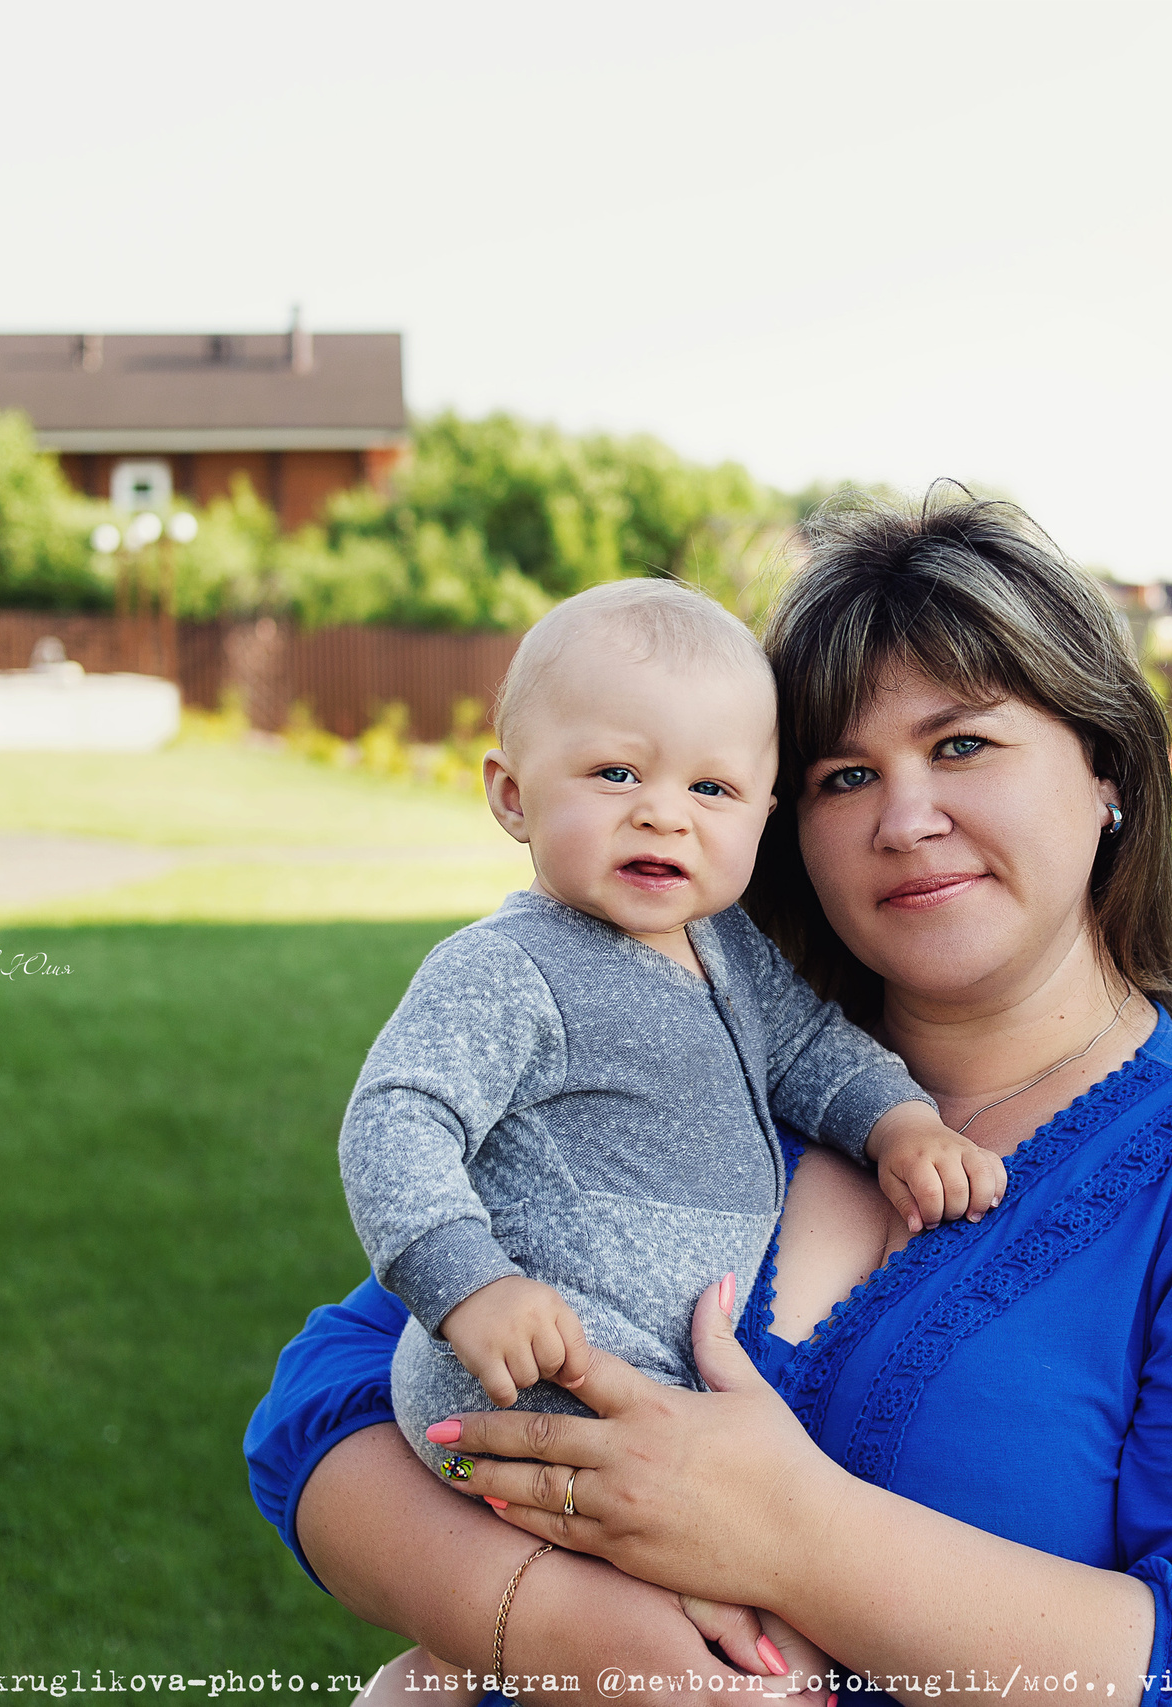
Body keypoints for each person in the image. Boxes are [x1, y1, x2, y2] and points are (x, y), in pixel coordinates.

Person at [246, 493, 1172, 1707]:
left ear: (1108, 775)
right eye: (843, 775)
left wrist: (800, 1539)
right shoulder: (702, 1059)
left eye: (963, 745)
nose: (905, 818)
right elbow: (323, 1402)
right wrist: (565, 1633)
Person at [340, 578, 1003, 1685]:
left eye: (712, 786)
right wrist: (469, 1285)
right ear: (510, 795)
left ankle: (441, 1674)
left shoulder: (728, 952)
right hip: (527, 1375)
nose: (663, 812)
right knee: (715, 1614)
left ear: (762, 815)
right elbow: (396, 1120)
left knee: (666, 1582)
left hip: (652, 1383)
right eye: (614, 774)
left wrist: (897, 1127)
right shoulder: (509, 968)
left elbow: (810, 1054)